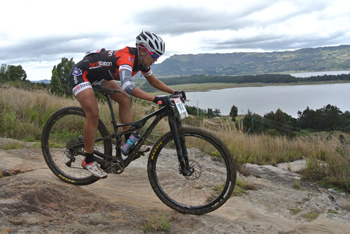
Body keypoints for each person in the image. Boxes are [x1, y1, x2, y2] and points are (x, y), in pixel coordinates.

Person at [68, 30, 186, 178]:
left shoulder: (142, 62)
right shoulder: (127, 58)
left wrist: (174, 91)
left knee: (124, 99)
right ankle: (89, 160)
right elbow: (127, 86)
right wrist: (155, 99)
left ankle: (127, 144)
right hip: (81, 74)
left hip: (98, 76)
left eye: (158, 57)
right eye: (154, 56)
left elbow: (154, 81)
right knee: (93, 114)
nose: (155, 60)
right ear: (143, 51)